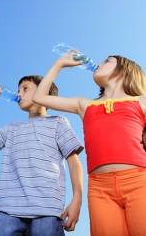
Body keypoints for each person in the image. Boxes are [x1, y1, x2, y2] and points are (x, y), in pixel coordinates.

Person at [32, 54, 146, 235]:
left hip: (139, 182)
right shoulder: (84, 104)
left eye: (107, 61)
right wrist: (59, 64)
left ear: (124, 70)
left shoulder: (140, 101)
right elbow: (39, 97)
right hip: (99, 188)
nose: (99, 63)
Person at [0, 75, 84, 235]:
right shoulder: (12, 128)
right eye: (18, 90)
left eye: (25, 89)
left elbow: (74, 162)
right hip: (9, 211)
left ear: (43, 91)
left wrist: (77, 199)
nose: (19, 94)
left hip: (47, 210)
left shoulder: (58, 122)